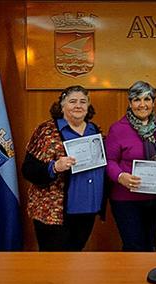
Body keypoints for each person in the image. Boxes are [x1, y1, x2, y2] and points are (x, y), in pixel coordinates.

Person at [22, 85, 105, 251]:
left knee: (75, 259)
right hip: (54, 212)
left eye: (83, 101)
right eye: (72, 101)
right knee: (54, 263)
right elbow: (28, 169)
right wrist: (54, 167)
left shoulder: (93, 129)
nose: (78, 105)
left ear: (88, 106)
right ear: (62, 105)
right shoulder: (46, 131)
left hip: (87, 208)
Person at [105, 81, 156, 251]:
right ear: (130, 102)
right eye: (137, 100)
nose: (142, 105)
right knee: (134, 248)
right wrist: (120, 176)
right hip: (126, 200)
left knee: (155, 246)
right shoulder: (118, 129)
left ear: (153, 102)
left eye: (147, 99)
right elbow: (109, 161)